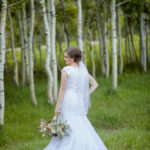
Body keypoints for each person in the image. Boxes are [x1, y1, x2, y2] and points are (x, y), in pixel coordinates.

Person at [43, 47, 108, 150]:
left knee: (69, 121)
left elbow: (62, 90)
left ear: (73, 58)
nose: (64, 59)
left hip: (68, 99)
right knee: (79, 121)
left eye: (66, 57)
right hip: (78, 100)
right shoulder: (81, 70)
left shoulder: (66, 70)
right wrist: (85, 95)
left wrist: (57, 107)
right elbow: (95, 84)